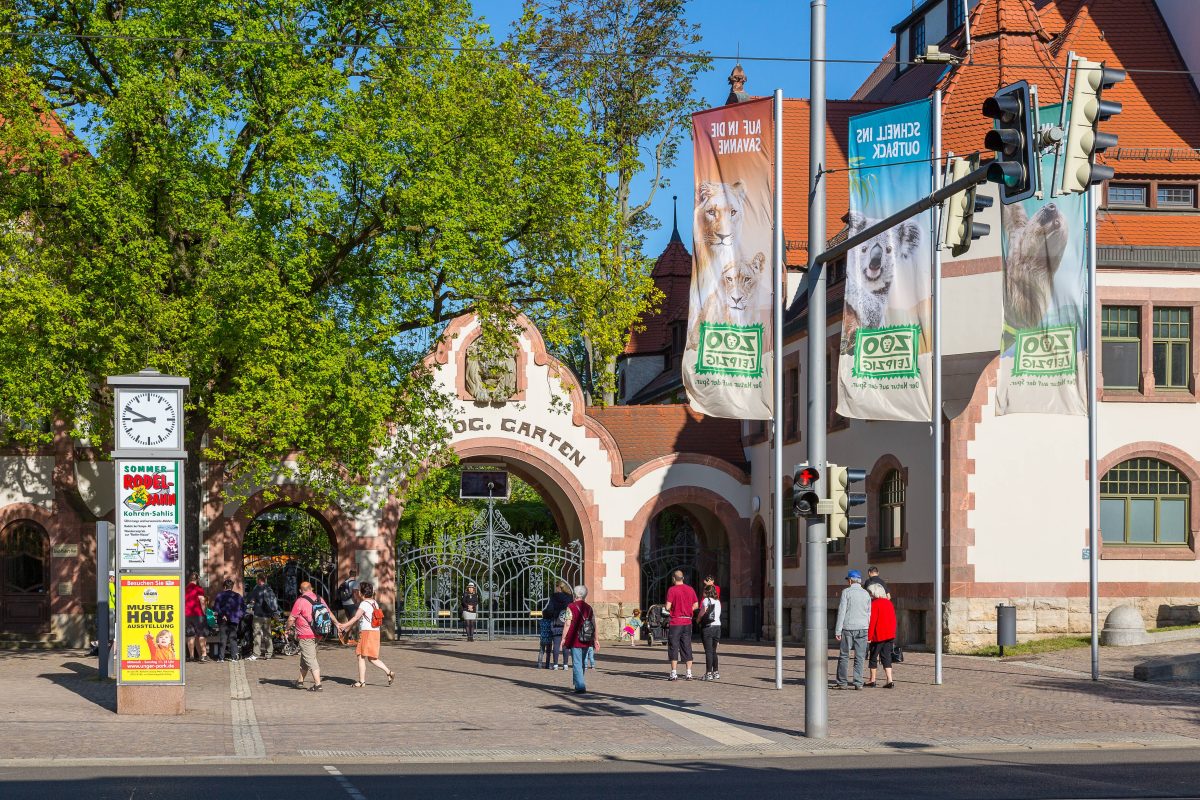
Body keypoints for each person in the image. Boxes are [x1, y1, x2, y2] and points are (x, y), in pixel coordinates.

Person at [335, 582, 395, 688]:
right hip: (375, 632)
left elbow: (356, 617)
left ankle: (362, 682)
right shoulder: (374, 603)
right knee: (372, 658)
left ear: (361, 593)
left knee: (360, 656)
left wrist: (344, 625)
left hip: (367, 633)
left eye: (358, 591)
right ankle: (389, 672)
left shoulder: (364, 604)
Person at [287, 580, 327, 691]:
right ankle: (300, 681)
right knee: (305, 657)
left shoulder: (300, 601)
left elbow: (291, 618)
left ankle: (318, 685)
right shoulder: (319, 599)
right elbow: (328, 612)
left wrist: (287, 628)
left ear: (300, 590)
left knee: (310, 659)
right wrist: (337, 624)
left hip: (306, 635)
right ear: (311, 588)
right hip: (318, 633)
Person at [834, 570, 871, 690]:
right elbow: (868, 613)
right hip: (863, 628)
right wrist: (868, 628)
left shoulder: (846, 592)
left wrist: (838, 630)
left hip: (848, 628)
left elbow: (841, 612)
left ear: (850, 580)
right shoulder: (866, 594)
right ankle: (858, 682)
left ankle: (842, 682)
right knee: (860, 657)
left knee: (844, 656)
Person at [559, 584, 596, 694]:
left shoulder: (571, 606)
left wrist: (563, 638)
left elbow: (567, 623)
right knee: (582, 662)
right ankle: (577, 682)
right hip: (587, 638)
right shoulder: (589, 608)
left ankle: (580, 686)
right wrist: (596, 639)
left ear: (575, 594)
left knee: (577, 662)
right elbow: (594, 623)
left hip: (575, 638)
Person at [664, 569, 698, 681]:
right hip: (687, 621)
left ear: (673, 578)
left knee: (674, 646)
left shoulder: (672, 590)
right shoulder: (690, 589)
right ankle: (689, 673)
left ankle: (674, 673)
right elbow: (696, 605)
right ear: (683, 578)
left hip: (676, 622)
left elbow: (668, 607)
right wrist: (689, 609)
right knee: (687, 646)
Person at [866, 581, 897, 689]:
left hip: (878, 635)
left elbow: (872, 622)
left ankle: (872, 679)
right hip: (889, 634)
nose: (870, 595)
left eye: (870, 593)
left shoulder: (874, 604)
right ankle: (889, 679)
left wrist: (869, 637)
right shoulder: (889, 603)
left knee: (873, 657)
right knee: (886, 656)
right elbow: (893, 619)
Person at [246, 574, 279, 661]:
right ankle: (269, 653)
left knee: (257, 634)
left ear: (259, 580)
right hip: (267, 616)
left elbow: (250, 599)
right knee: (267, 634)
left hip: (258, 615)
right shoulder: (269, 588)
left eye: (257, 579)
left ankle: (256, 653)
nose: (256, 580)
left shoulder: (257, 588)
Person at [213, 579, 247, 662]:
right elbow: (244, 608)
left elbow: (216, 607)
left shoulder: (220, 595)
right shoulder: (238, 596)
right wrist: (238, 615)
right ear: (232, 587)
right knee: (233, 638)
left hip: (223, 620)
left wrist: (222, 615)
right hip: (234, 619)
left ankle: (221, 657)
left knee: (223, 638)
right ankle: (234, 657)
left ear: (224, 587)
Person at [543, 581, 572, 669]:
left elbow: (549, 610)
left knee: (556, 644)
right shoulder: (570, 597)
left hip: (556, 622)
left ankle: (555, 664)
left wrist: (546, 614)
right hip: (566, 622)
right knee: (565, 644)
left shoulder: (554, 597)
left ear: (558, 587)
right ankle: (565, 665)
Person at [184, 571, 209, 663]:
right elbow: (202, 600)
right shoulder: (198, 588)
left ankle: (191, 656)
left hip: (187, 615)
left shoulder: (184, 588)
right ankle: (203, 655)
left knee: (190, 635)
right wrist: (204, 612)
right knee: (201, 634)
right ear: (197, 579)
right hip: (198, 614)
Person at [699, 585, 722, 681]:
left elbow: (702, 612)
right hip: (717, 627)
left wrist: (698, 619)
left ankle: (708, 673)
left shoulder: (706, 600)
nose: (703, 593)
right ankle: (716, 672)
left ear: (707, 592)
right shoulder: (718, 601)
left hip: (708, 627)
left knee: (708, 651)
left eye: (704, 591)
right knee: (713, 651)